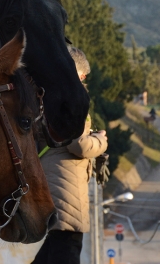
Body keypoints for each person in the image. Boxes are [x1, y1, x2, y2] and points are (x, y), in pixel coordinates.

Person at [31, 47, 108, 264]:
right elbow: (79, 146)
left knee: (53, 249)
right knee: (67, 248)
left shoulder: (44, 96)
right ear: (78, 73)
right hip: (66, 187)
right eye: (84, 76)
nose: (84, 81)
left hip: (50, 180)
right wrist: (101, 140)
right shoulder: (72, 100)